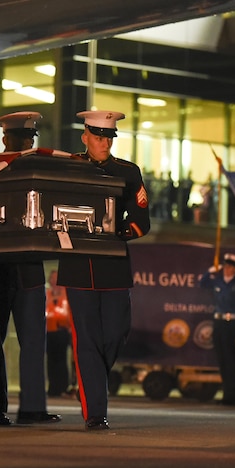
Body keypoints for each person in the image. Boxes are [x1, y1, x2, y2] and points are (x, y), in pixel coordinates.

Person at [56, 110, 151, 430]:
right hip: (79, 264)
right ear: (85, 137)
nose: (104, 143)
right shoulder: (67, 168)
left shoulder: (127, 171)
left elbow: (141, 221)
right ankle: (95, 411)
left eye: (109, 138)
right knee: (86, 340)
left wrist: (114, 233)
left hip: (112, 264)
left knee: (115, 332)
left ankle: (94, 379)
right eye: (98, 137)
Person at [0, 111, 61, 426]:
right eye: (19, 138)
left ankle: (32, 408)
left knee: (35, 340)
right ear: (5, 139)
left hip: (27, 267)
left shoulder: (39, 168)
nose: (24, 143)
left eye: (28, 139)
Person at [199, 253, 235, 406]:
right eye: (225, 266)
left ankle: (233, 394)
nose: (226, 269)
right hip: (219, 322)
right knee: (222, 360)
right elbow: (203, 283)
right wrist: (211, 270)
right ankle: (227, 392)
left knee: (231, 361)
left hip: (232, 323)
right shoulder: (218, 281)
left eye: (229, 267)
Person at [45, 269, 72, 397]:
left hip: (62, 331)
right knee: (51, 361)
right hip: (49, 331)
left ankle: (63, 387)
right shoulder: (46, 294)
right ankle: (53, 388)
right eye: (52, 279)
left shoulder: (66, 294)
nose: (54, 281)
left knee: (61, 360)